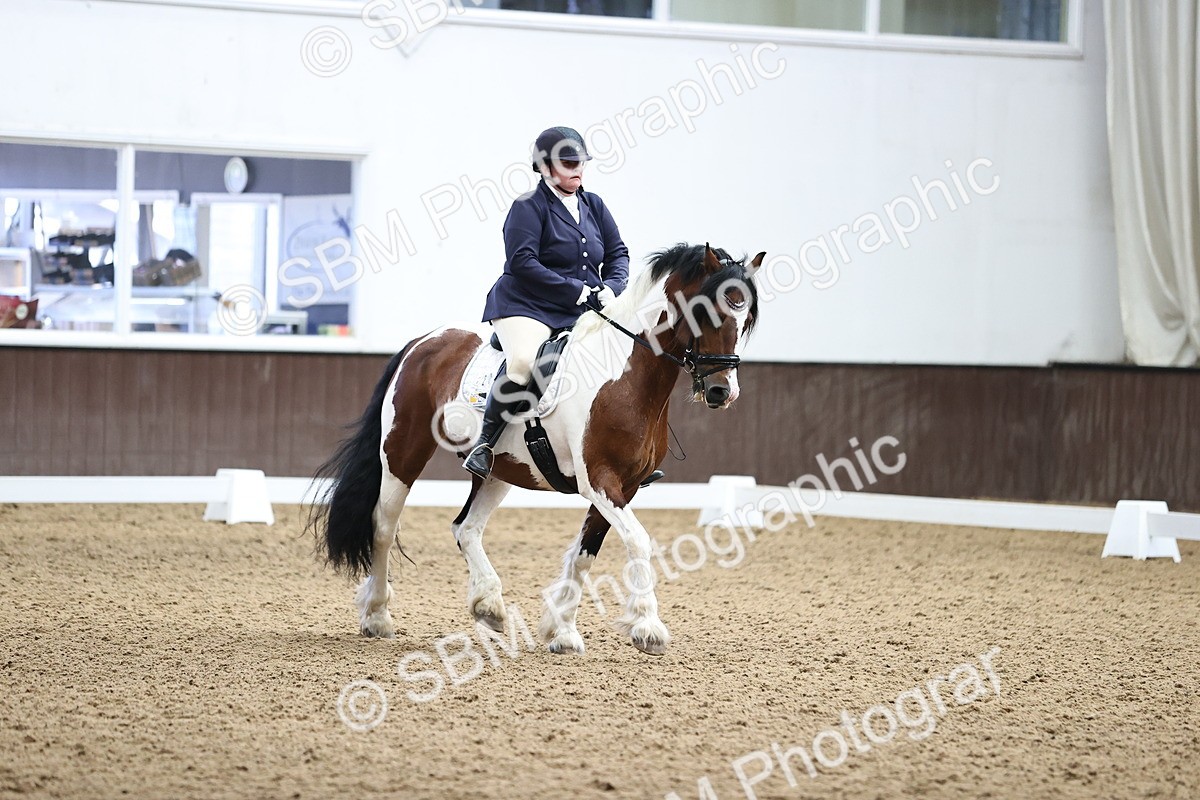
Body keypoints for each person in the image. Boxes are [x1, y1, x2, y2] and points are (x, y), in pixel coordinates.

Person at [463, 126, 630, 479]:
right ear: (544, 166)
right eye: (568, 163)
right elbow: (522, 262)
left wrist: (612, 288)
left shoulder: (594, 204)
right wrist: (577, 290)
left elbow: (617, 253)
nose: (577, 170)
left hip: (580, 307)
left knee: (618, 357)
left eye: (581, 162)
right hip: (526, 304)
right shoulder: (527, 207)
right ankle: (485, 444)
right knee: (523, 363)